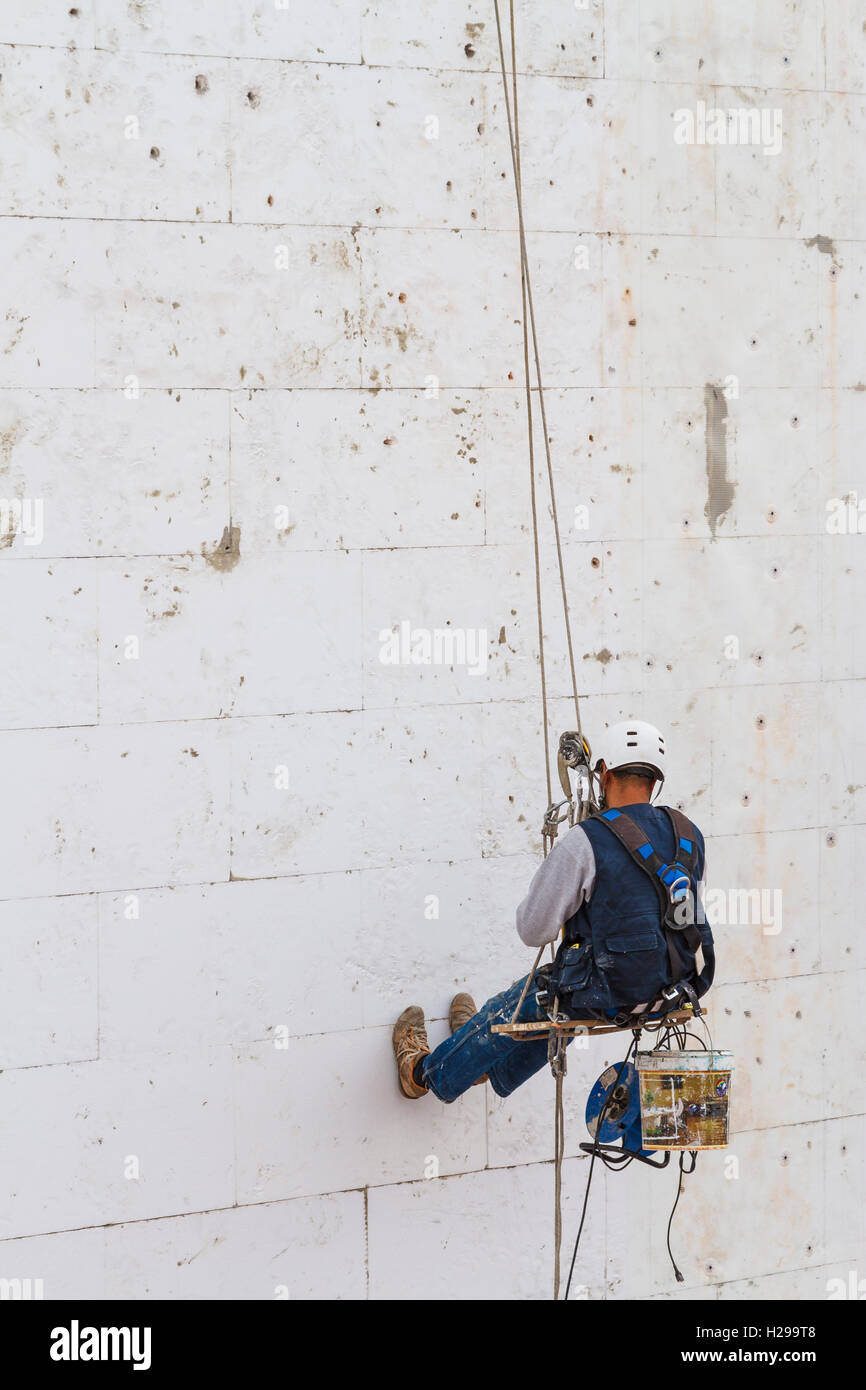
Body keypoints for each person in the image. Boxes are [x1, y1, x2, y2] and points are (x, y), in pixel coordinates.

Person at [392, 720, 714, 1102]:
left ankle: (423, 1075)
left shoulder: (588, 839)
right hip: (670, 995)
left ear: (603, 773)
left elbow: (533, 930)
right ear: (656, 783)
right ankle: (475, 1062)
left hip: (606, 996)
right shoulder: (689, 834)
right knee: (552, 1015)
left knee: (525, 1004)